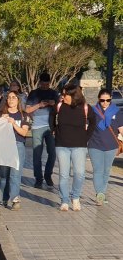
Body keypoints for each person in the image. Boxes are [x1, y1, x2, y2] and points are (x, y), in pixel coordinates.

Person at [49, 83, 96, 211]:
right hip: (62, 145)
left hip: (79, 146)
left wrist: (86, 137)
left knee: (79, 173)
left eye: (65, 94)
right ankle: (64, 200)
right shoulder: (59, 106)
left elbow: (93, 121)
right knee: (64, 174)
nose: (63, 97)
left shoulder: (85, 107)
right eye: (63, 94)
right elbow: (51, 116)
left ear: (73, 95)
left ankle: (75, 197)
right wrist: (53, 129)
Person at [0, 91, 31, 209]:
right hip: (5, 146)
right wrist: (2, 120)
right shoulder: (1, 114)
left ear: (18, 100)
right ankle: (4, 198)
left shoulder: (24, 115)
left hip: (18, 145)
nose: (11, 100)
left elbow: (24, 132)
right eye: (9, 98)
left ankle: (15, 198)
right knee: (4, 174)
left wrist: (13, 124)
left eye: (14, 98)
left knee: (15, 173)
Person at [88, 89, 123, 205]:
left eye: (108, 100)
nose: (105, 102)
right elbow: (86, 127)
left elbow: (121, 129)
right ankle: (99, 194)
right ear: (99, 99)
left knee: (106, 171)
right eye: (102, 100)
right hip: (95, 145)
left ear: (111, 100)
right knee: (98, 170)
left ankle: (102, 193)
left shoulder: (117, 112)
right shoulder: (92, 111)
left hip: (111, 146)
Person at [25, 72, 59, 189]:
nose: (45, 86)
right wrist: (39, 105)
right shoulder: (34, 93)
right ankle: (38, 179)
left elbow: (59, 109)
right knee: (37, 154)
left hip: (50, 126)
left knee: (52, 153)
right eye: (43, 84)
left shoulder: (54, 93)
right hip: (37, 127)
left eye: (47, 84)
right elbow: (27, 110)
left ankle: (48, 175)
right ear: (39, 83)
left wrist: (53, 104)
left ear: (50, 83)